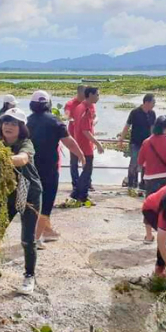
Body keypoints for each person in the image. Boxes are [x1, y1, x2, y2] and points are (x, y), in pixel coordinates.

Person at [0, 108, 43, 295]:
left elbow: (22, 159)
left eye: (13, 123)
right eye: (6, 122)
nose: (8, 126)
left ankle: (29, 276)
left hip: (27, 191)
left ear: (21, 127)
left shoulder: (26, 143)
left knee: (27, 239)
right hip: (7, 191)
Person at [27, 91, 85, 246]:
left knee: (33, 203)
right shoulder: (55, 121)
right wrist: (80, 155)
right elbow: (69, 142)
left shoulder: (27, 122)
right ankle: (35, 239)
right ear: (49, 104)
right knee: (46, 204)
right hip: (49, 170)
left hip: (30, 169)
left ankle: (39, 234)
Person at [71, 87, 104, 203]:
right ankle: (82, 195)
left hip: (79, 143)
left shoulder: (80, 107)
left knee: (85, 171)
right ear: (90, 95)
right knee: (87, 171)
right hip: (85, 145)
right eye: (97, 95)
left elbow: (82, 125)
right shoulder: (85, 109)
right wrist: (98, 144)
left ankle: (76, 193)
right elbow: (85, 131)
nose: (98, 97)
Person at [118, 94, 156, 190]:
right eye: (153, 102)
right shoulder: (135, 112)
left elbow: (152, 128)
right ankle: (131, 184)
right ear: (147, 102)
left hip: (147, 143)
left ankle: (143, 184)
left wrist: (154, 141)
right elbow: (127, 125)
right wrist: (121, 138)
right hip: (135, 142)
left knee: (146, 165)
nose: (154, 104)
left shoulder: (152, 114)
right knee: (134, 163)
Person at [64, 85, 86, 188]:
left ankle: (87, 182)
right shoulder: (70, 104)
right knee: (74, 161)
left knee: (87, 160)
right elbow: (66, 115)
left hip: (86, 137)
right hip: (73, 137)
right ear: (79, 92)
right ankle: (75, 183)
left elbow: (94, 116)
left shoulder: (88, 103)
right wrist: (71, 119)